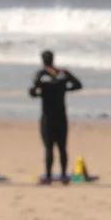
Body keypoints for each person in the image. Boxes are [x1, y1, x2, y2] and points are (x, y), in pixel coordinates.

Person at [29, 50, 83, 184]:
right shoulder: (63, 73)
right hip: (61, 116)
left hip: (47, 117)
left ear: (43, 60)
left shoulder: (41, 75)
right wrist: (64, 89)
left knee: (49, 147)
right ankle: (64, 176)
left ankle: (48, 176)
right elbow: (78, 85)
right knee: (62, 147)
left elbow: (32, 92)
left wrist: (42, 93)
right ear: (53, 59)